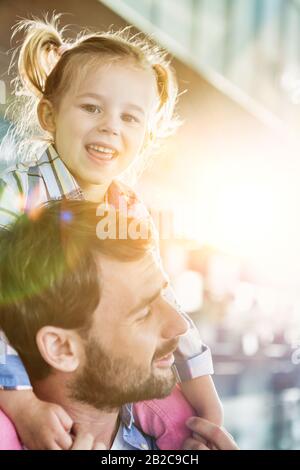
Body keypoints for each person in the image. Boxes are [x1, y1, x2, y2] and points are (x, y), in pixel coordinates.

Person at [0, 13, 222, 450]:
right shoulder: (15, 194)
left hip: (99, 388)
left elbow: (164, 300)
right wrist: (19, 399)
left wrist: (204, 391)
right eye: (91, 108)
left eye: (131, 118)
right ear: (49, 114)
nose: (110, 126)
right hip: (19, 379)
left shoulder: (130, 209)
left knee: (184, 425)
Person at [0, 200, 189, 450]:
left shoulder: (185, 440)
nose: (180, 325)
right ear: (61, 348)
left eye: (164, 293)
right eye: (143, 312)